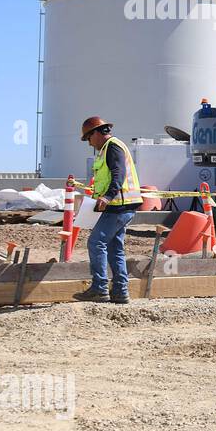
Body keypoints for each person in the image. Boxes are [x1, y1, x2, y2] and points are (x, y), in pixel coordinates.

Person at [73, 116, 143, 305]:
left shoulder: (112, 146)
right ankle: (120, 292)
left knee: (96, 242)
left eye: (88, 138)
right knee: (114, 248)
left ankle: (99, 288)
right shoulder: (107, 149)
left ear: (96, 133)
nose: (89, 143)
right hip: (122, 206)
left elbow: (118, 174)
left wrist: (107, 197)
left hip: (118, 206)